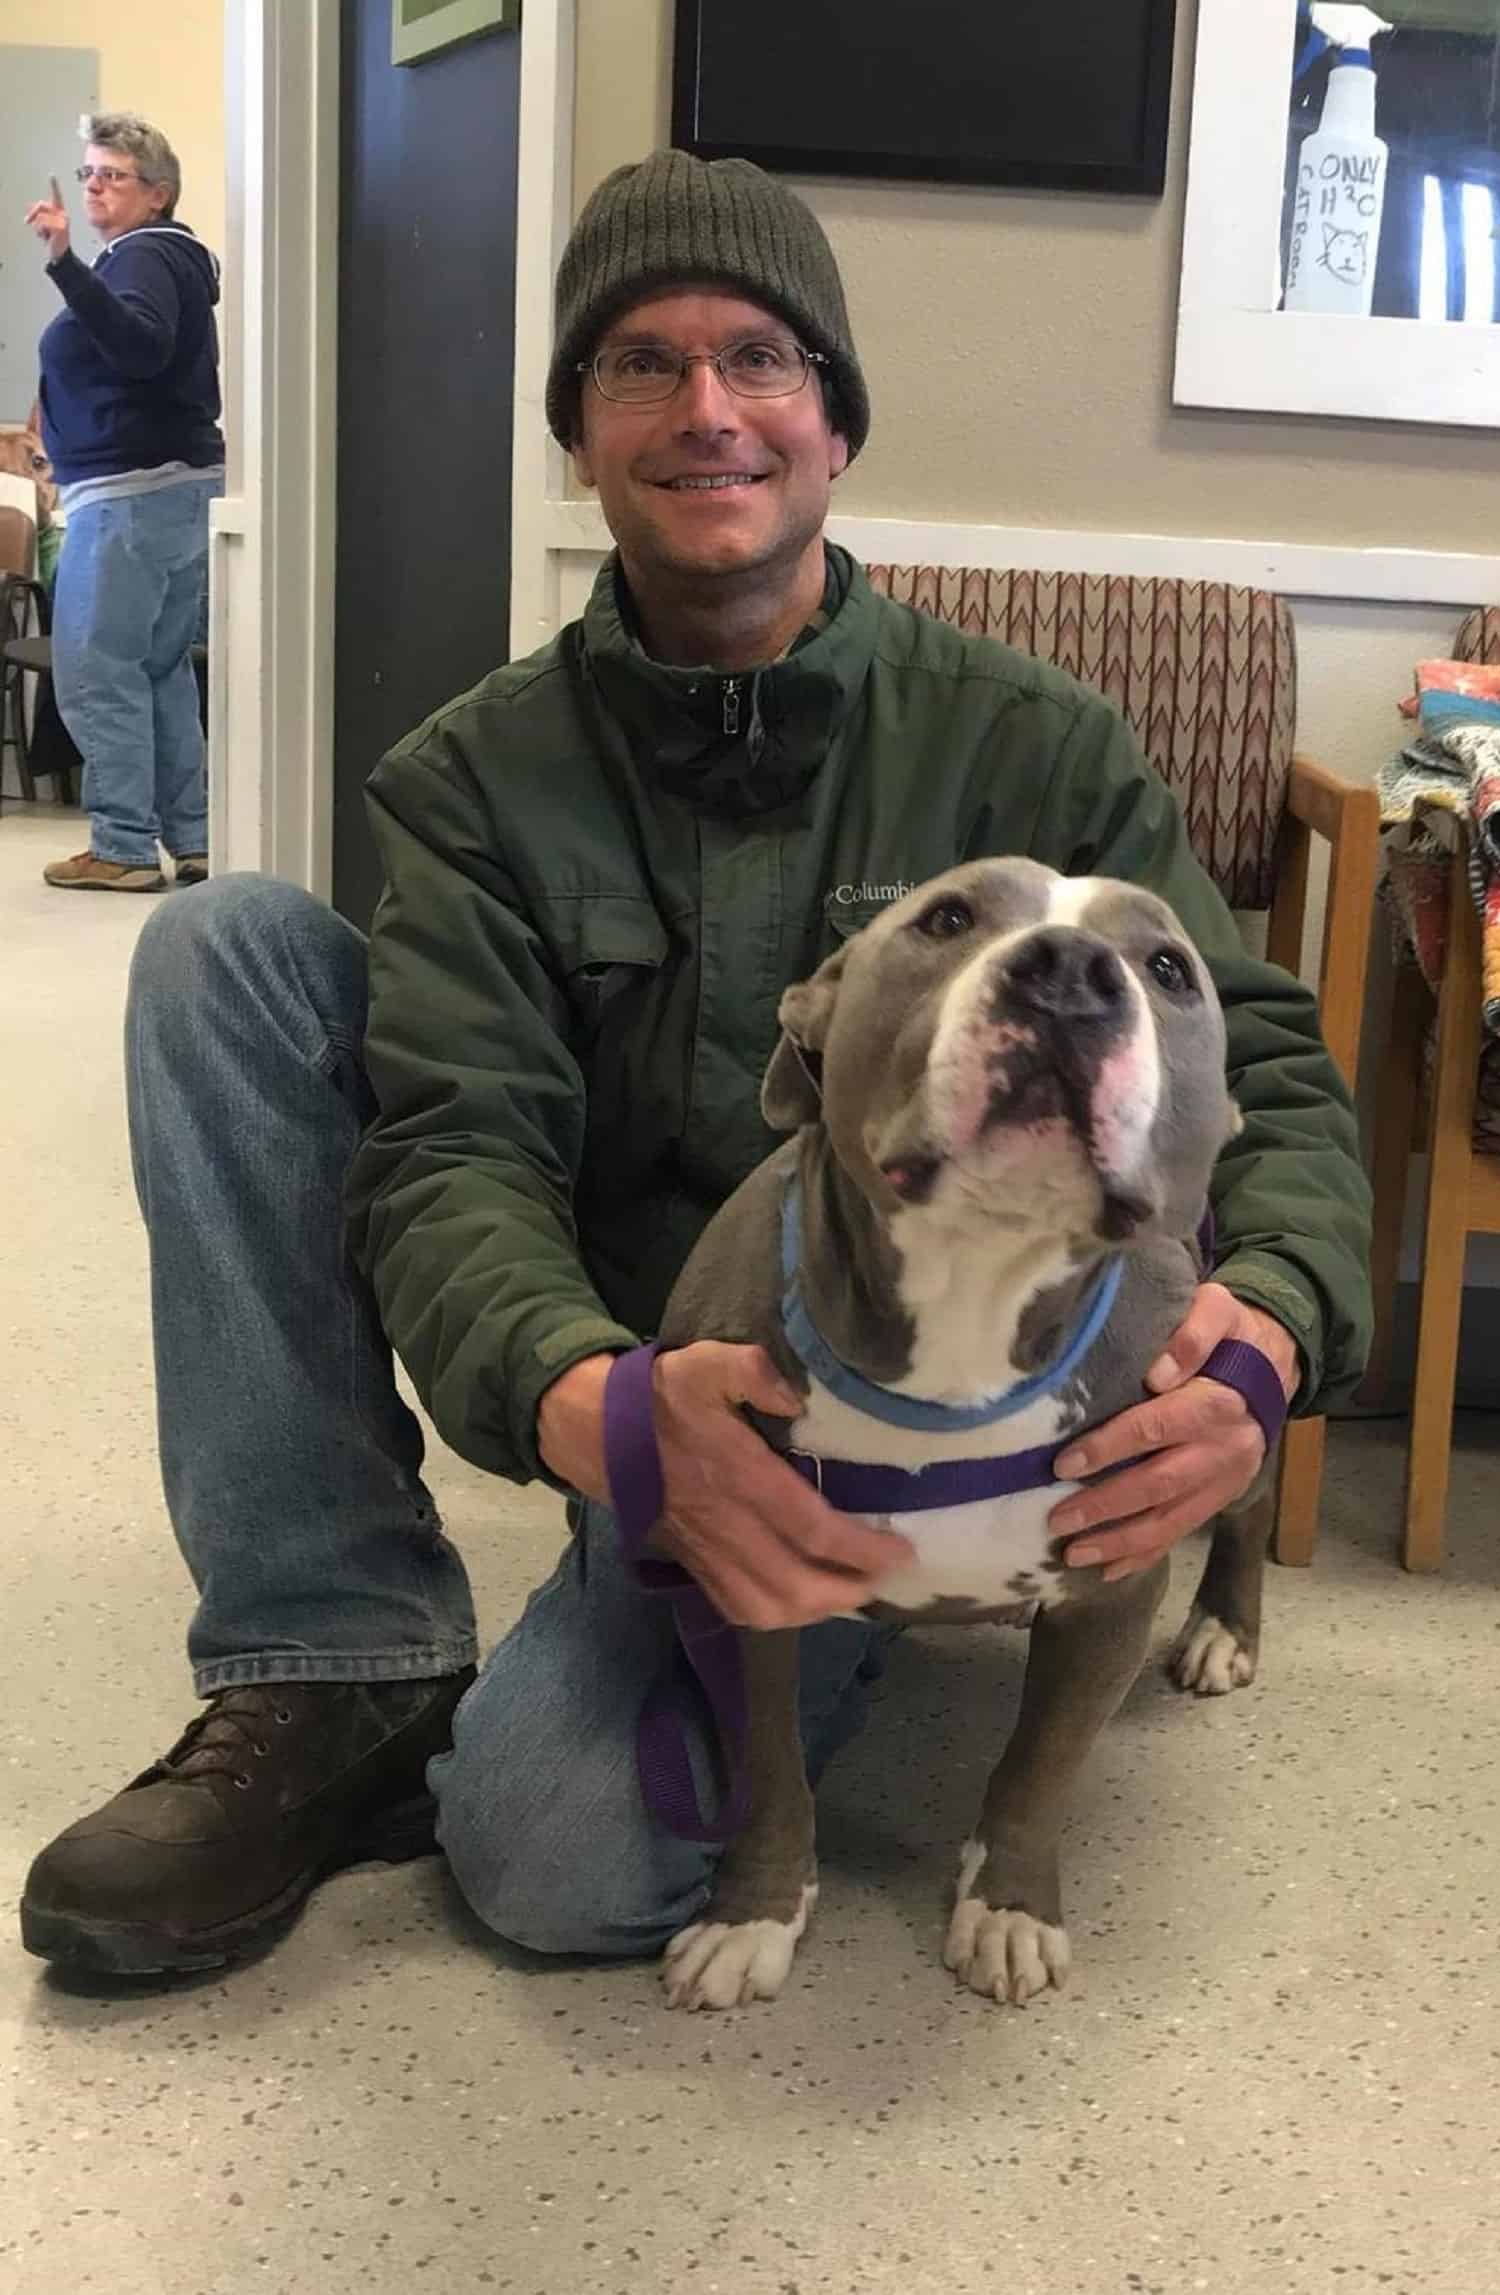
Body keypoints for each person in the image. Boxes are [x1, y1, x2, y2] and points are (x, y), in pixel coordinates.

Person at [21, 152, 1371, 1980]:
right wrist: (600, 1407)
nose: (710, 409)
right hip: (653, 1395)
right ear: (579, 430)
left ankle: (887, 1590)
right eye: (643, 364)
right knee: (221, 950)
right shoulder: (472, 777)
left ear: (836, 423)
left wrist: (1271, 1328)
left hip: (923, 1388)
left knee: (555, 1864)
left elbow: (1265, 1062)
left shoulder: (1032, 746)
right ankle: (330, 1667)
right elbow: (452, 1154)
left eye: (762, 358)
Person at [24, 114, 223, 893]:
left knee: (97, 671)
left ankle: (122, 846)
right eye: (89, 174)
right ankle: (192, 837)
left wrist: (64, 262)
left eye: (114, 175)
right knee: (159, 669)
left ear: (159, 194)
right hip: (178, 489)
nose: (96, 186)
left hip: (130, 497)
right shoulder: (169, 258)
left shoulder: (140, 257)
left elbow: (136, 346)